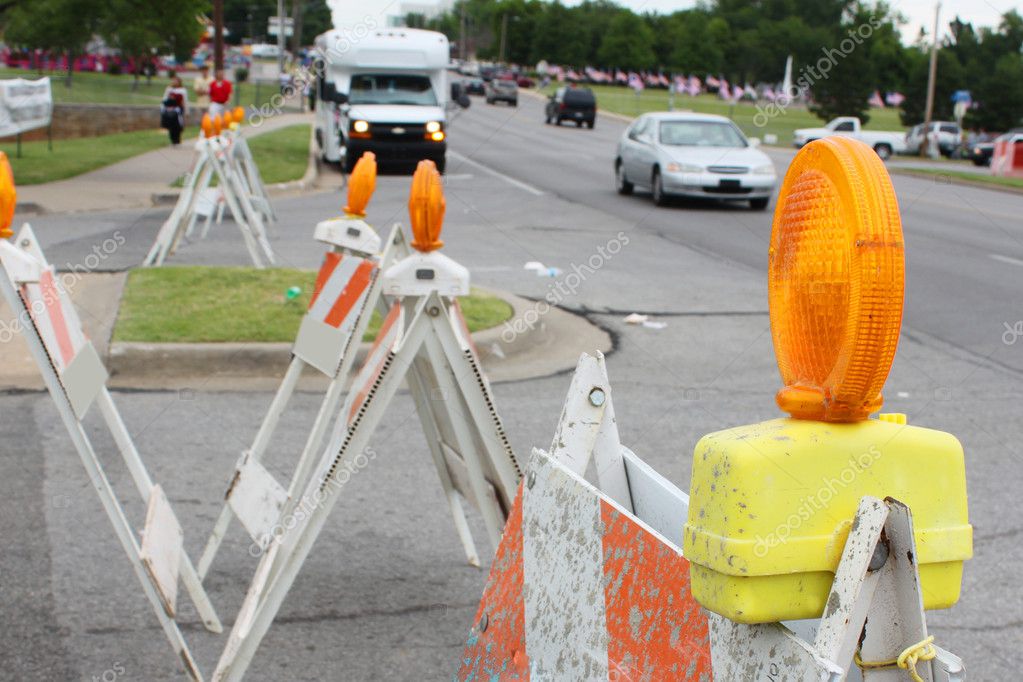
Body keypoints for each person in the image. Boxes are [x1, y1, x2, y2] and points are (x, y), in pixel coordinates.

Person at [160, 76, 188, 145]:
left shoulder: (183, 90)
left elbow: (185, 101)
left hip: (178, 110)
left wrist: (186, 111)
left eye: (176, 81)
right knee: (171, 126)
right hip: (170, 110)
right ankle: (173, 140)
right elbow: (164, 99)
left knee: (178, 125)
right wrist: (163, 108)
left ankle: (178, 139)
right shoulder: (169, 89)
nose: (175, 82)